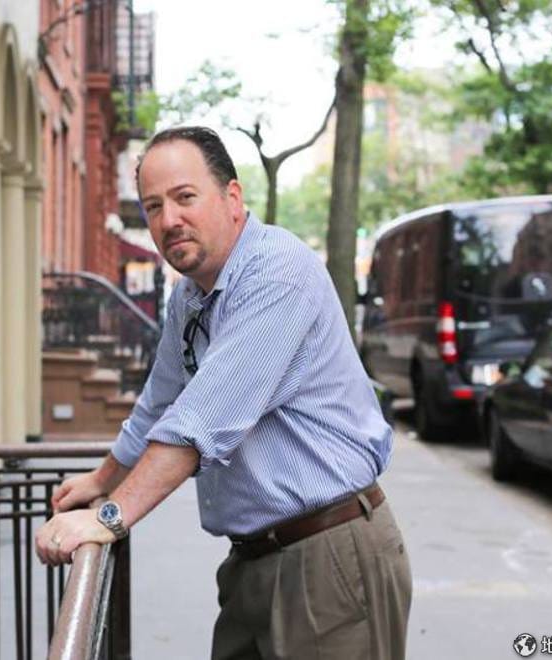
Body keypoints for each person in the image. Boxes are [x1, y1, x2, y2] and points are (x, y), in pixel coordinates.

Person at [34, 126, 412, 659]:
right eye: (153, 206)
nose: (169, 220)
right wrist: (101, 480)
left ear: (232, 198)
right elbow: (158, 405)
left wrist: (107, 518)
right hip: (252, 562)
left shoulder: (277, 274)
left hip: (328, 557)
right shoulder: (190, 296)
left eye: (185, 197)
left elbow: (198, 422)